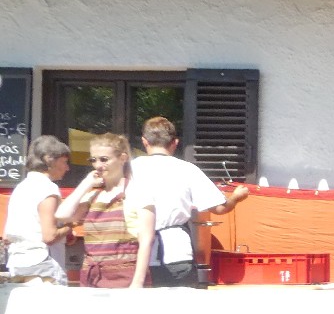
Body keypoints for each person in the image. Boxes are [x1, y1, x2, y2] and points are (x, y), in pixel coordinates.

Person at [125, 116, 249, 288]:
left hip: (134, 253)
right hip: (176, 252)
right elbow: (220, 208)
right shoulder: (188, 169)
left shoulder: (131, 168)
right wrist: (236, 197)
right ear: (175, 143)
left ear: (144, 141)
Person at [56, 134, 152, 288]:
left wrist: (137, 283)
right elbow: (62, 215)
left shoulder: (137, 192)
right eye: (93, 160)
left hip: (125, 276)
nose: (98, 165)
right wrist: (86, 183)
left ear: (122, 158)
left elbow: (146, 240)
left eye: (104, 159)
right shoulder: (93, 195)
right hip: (92, 277)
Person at [3, 135, 73, 283]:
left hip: (17, 262)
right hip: (43, 264)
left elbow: (6, 236)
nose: (67, 168)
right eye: (64, 162)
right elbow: (49, 236)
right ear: (49, 159)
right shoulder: (47, 188)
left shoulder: (20, 188)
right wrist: (69, 227)